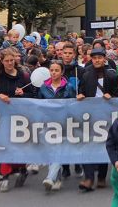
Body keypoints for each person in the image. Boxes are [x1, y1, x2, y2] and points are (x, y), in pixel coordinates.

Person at [77, 48, 118, 191]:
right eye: (94, 58)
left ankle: (102, 177)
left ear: (104, 59)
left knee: (105, 146)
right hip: (89, 116)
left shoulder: (112, 76)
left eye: (99, 57)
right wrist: (81, 96)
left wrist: (112, 97)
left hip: (106, 117)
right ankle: (89, 178)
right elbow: (81, 91)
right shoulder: (86, 75)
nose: (97, 60)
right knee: (87, 145)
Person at [0, 48, 31, 192]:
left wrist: (23, 93)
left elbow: (34, 95)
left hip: (21, 118)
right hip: (3, 117)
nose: (9, 63)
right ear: (1, 61)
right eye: (6, 61)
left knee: (19, 146)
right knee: (5, 146)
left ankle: (22, 169)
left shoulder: (23, 76)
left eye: (12, 60)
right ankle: (5, 175)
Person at [38, 60, 76, 191]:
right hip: (48, 123)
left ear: (62, 72)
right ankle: (57, 178)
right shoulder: (43, 87)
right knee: (51, 151)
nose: (53, 73)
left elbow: (73, 105)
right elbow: (38, 104)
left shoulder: (69, 87)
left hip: (63, 124)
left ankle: (50, 177)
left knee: (58, 150)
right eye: (52, 70)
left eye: (56, 70)